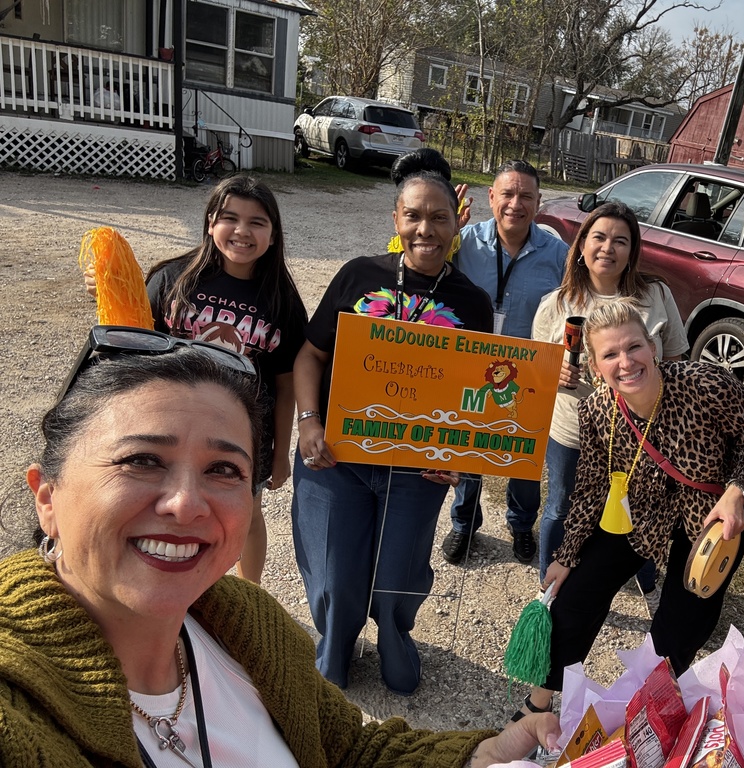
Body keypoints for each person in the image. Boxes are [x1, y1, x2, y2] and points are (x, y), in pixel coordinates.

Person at [0, 328, 558, 766]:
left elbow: (345, 753)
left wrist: (477, 757)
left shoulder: (249, 625)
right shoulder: (18, 710)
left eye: (223, 469)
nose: (187, 505)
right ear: (46, 495)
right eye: (142, 461)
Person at [515, 300, 744, 720]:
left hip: (710, 517)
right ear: (596, 367)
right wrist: (566, 557)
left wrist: (736, 490)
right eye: (610, 354)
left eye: (633, 346)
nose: (626, 362)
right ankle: (539, 704)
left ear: (653, 346)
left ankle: (645, 717)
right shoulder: (597, 410)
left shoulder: (706, 385)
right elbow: (590, 489)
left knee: (680, 623)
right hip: (639, 513)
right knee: (576, 596)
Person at [292, 170, 493, 695]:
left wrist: (457, 456)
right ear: (396, 219)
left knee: (399, 576)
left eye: (439, 217)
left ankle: (394, 638)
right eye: (414, 215)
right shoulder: (359, 276)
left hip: (416, 469)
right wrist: (308, 422)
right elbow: (311, 355)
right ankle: (334, 649)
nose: (425, 228)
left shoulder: (472, 304)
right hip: (339, 454)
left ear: (457, 224)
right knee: (335, 576)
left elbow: (475, 397)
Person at [85, 175, 307, 586]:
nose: (242, 231)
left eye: (257, 222)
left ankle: (248, 591)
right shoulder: (173, 278)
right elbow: (131, 340)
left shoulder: (283, 301)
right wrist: (109, 292)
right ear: (209, 223)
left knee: (245, 511)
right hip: (168, 419)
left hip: (242, 427)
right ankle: (163, 580)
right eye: (229, 218)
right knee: (166, 502)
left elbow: (285, 381)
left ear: (274, 235)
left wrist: (280, 453)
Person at [532, 201, 688, 612]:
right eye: (598, 237)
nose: (608, 248)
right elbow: (531, 374)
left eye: (621, 240)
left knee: (643, 506)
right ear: (581, 245)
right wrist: (551, 375)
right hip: (572, 429)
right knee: (562, 505)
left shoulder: (655, 296)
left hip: (641, 432)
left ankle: (644, 574)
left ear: (632, 250)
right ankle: (549, 583)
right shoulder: (557, 304)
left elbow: (677, 359)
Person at [442, 159, 569, 566]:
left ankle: (520, 524)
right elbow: (423, 270)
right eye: (508, 194)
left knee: (524, 458)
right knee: (467, 447)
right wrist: (445, 231)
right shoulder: (463, 241)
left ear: (538, 202)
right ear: (492, 197)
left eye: (526, 196)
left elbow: (573, 308)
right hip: (470, 368)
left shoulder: (558, 254)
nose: (516, 203)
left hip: (529, 372)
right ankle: (464, 522)